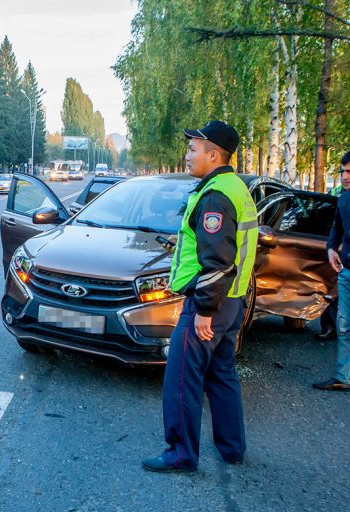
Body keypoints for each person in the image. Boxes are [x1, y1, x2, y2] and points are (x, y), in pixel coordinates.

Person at [142, 120, 258, 473]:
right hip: (233, 303)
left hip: (210, 306)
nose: (187, 155)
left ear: (213, 154)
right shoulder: (234, 188)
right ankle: (232, 447)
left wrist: (205, 310)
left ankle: (180, 453)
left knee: (181, 379)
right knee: (221, 374)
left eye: (193, 149)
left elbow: (218, 263)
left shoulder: (215, 196)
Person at [313, 151, 350, 391]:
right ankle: (343, 376)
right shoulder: (344, 199)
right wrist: (330, 250)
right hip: (346, 272)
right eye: (343, 171)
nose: (345, 177)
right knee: (344, 325)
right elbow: (337, 226)